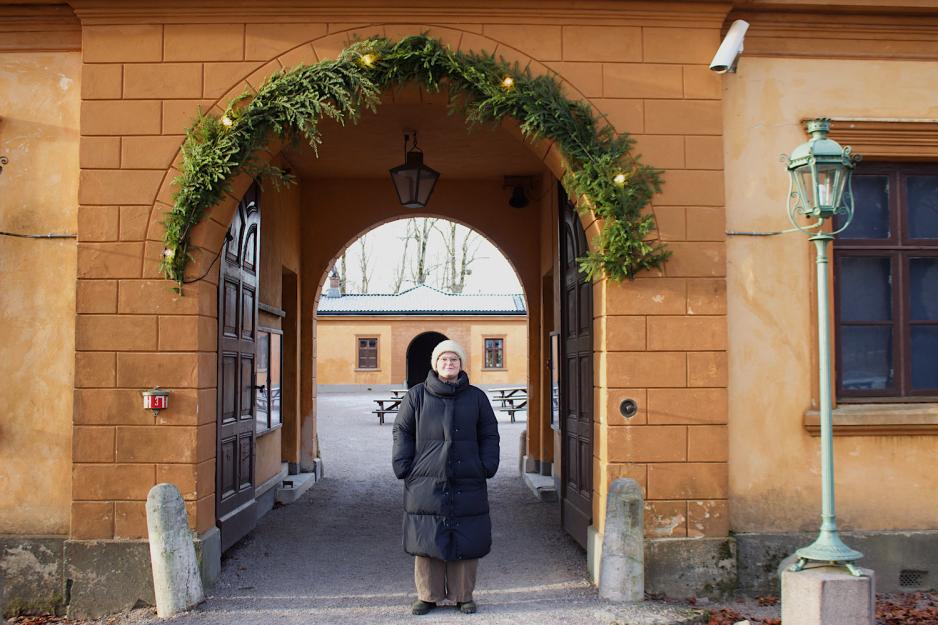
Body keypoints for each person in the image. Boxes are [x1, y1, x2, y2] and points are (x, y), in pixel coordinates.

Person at [392, 339, 500, 615]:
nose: (448, 364)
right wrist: (404, 465)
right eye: (443, 359)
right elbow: (402, 431)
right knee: (427, 536)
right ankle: (427, 595)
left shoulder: (476, 397)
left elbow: (489, 433)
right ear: (435, 364)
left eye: (454, 359)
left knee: (466, 535)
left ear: (461, 364)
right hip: (426, 478)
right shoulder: (416, 396)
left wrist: (487, 465)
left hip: (468, 476)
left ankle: (463, 595)